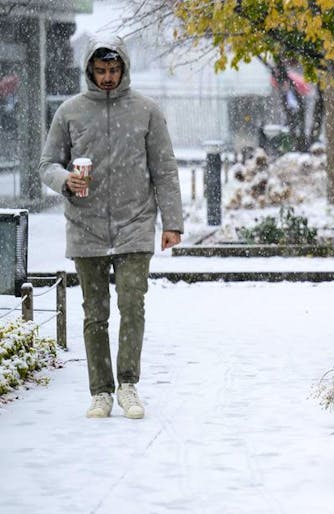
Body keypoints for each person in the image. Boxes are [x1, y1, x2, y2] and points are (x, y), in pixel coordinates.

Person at [39, 36, 183, 420]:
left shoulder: (147, 111)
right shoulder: (70, 112)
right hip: (84, 225)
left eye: (113, 70)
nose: (107, 77)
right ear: (90, 70)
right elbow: (47, 164)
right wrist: (65, 179)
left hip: (135, 223)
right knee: (94, 313)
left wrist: (172, 223)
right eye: (100, 70)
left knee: (132, 305)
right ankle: (100, 391)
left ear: (124, 69)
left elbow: (164, 170)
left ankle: (129, 385)